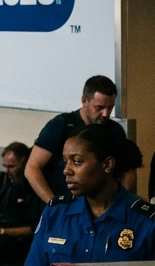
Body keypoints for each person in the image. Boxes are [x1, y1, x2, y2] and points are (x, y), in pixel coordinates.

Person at [18, 125, 155, 266]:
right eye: (65, 161)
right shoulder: (55, 214)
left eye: (77, 161)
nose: (66, 170)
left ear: (107, 165)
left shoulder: (144, 222)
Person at [25, 75, 132, 205]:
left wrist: (119, 204)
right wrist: (54, 204)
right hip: (63, 204)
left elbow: (127, 171)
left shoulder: (115, 130)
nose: (106, 114)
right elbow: (32, 168)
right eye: (99, 108)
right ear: (84, 101)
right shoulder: (61, 125)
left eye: (110, 108)